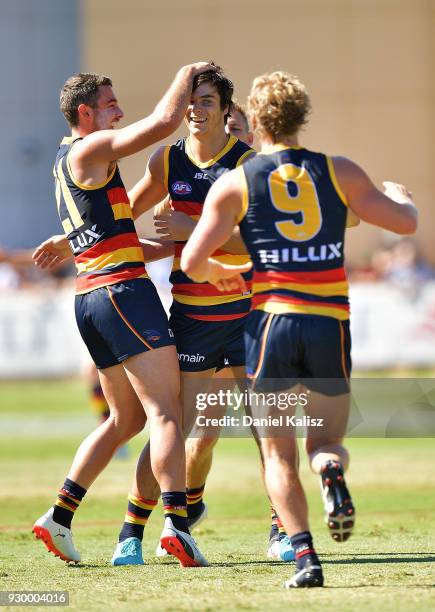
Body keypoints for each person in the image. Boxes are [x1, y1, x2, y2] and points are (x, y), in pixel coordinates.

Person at [180, 71, 417, 588]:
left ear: (255, 119)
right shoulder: (339, 171)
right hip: (328, 325)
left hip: (271, 329)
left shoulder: (236, 181)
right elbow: (405, 224)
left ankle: (305, 558)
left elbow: (195, 260)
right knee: (324, 442)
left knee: (277, 453)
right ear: (302, 116)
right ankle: (331, 471)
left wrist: (231, 271)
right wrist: (403, 198)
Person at [32, 64, 214, 568]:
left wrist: (187, 243)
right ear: (85, 112)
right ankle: (177, 526)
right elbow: (161, 122)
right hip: (121, 295)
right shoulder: (89, 148)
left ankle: (59, 516)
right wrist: (187, 71)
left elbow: (122, 242)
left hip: (93, 297)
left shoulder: (67, 160)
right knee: (166, 412)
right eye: (111, 105)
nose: (120, 113)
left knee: (126, 418)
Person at [109, 65, 257, 565]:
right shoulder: (167, 160)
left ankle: (284, 532)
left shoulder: (247, 164)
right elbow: (122, 211)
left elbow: (262, 238)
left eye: (207, 101)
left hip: (247, 314)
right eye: (190, 101)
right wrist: (74, 239)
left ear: (225, 108)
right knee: (172, 427)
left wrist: (190, 225)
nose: (196, 110)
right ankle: (131, 533)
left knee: (269, 427)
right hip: (192, 317)